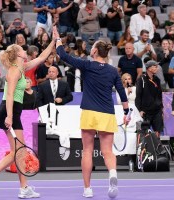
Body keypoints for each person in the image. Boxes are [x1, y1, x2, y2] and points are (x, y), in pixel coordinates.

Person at [53, 26, 129, 198]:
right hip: (107, 114)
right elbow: (121, 93)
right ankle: (113, 175)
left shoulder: (87, 65)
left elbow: (63, 56)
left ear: (94, 51)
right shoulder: (112, 71)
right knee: (108, 151)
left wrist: (57, 39)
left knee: (87, 151)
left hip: (89, 113)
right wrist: (127, 112)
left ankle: (87, 189)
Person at [0, 38, 57, 198]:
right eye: (22, 49)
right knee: (18, 152)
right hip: (9, 111)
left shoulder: (22, 68)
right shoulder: (14, 71)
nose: (25, 51)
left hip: (14, 111)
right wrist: (9, 116)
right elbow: (9, 94)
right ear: (17, 54)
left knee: (19, 152)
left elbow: (42, 57)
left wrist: (54, 41)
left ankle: (24, 188)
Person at [135, 60, 163, 137]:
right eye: (155, 66)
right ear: (149, 68)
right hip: (145, 111)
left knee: (158, 131)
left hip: (157, 110)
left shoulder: (157, 79)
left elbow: (159, 95)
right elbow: (138, 96)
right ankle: (145, 148)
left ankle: (157, 148)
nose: (157, 68)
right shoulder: (141, 79)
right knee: (145, 132)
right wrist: (139, 110)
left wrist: (161, 108)